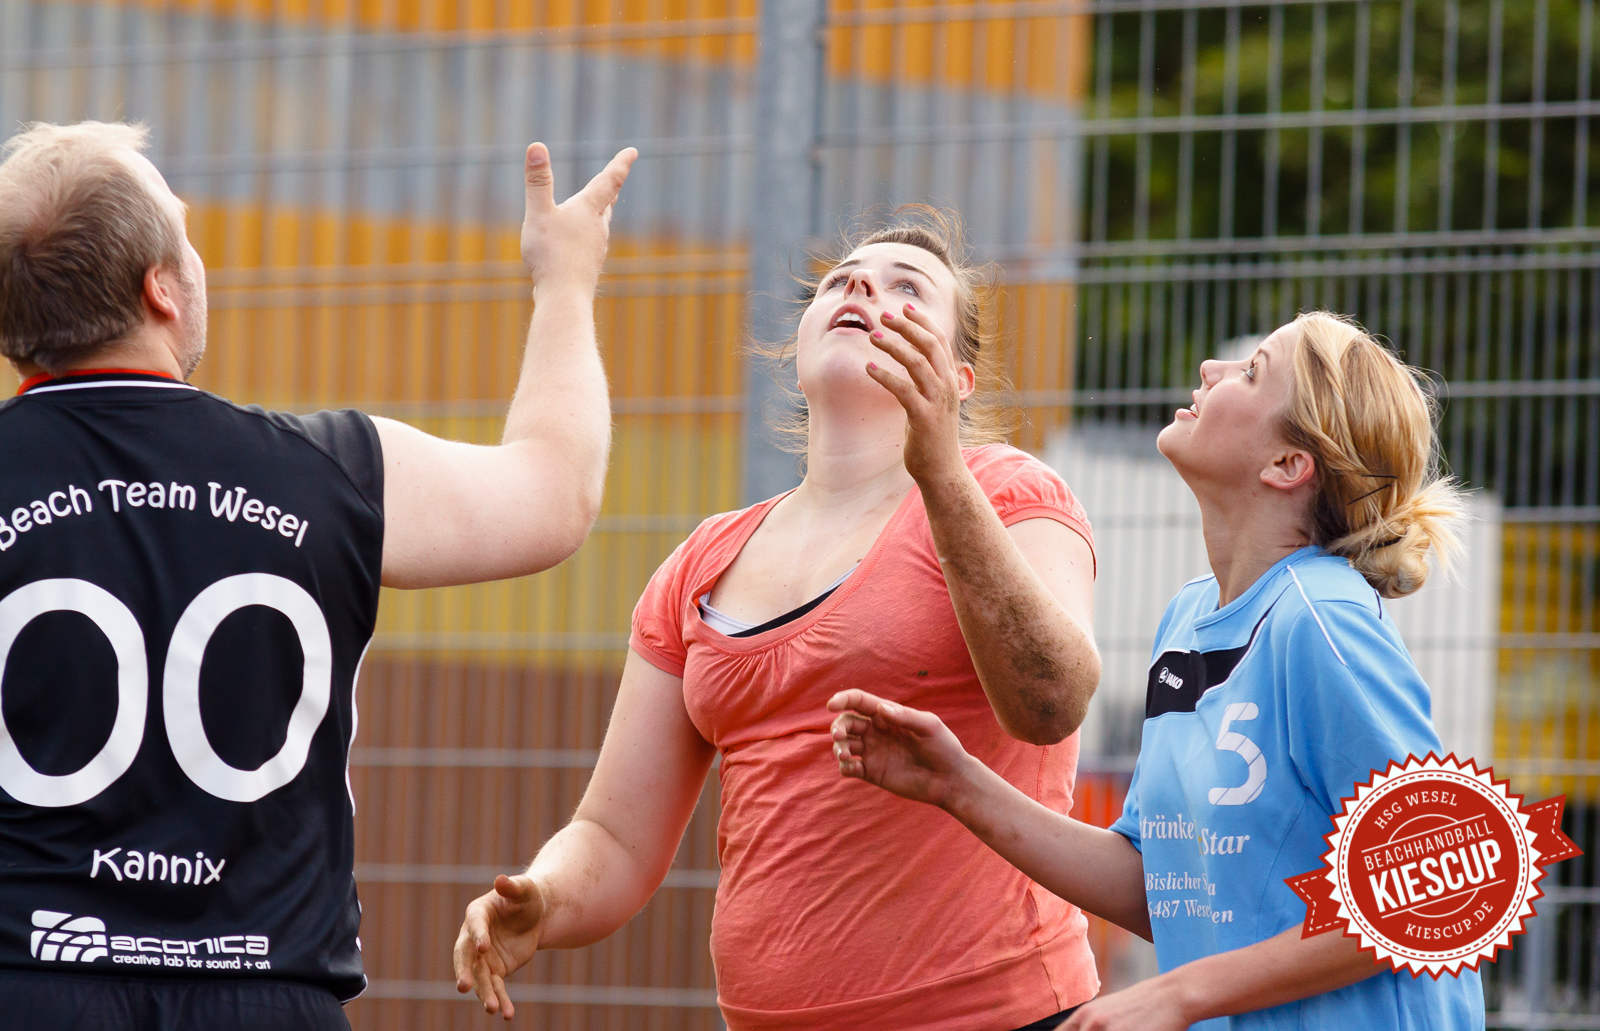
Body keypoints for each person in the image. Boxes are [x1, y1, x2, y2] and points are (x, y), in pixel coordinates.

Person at [0, 120, 635, 1029]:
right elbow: (554, 493)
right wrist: (565, 279)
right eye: (186, 231)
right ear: (161, 290)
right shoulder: (331, 469)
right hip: (267, 997)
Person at [454, 210, 1103, 1029]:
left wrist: (938, 469)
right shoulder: (701, 561)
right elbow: (614, 837)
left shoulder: (1008, 490)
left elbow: (1053, 700)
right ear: (798, 344)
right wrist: (541, 898)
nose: (861, 285)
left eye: (908, 289)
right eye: (840, 279)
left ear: (959, 378)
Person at [828, 311, 1487, 1030]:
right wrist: (956, 783)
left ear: (1287, 466)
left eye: (1252, 371)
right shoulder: (1188, 619)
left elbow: (1438, 884)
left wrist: (1175, 994)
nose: (1211, 370)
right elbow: (1162, 884)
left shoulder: (1318, 615)